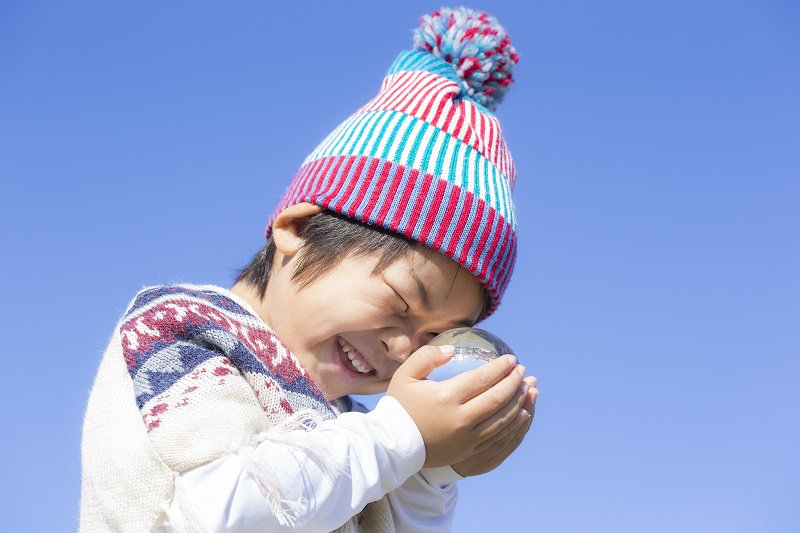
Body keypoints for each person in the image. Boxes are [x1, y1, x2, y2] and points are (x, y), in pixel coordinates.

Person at [80, 7, 539, 532]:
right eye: (401, 302)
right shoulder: (183, 327)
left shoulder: (347, 427)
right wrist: (401, 437)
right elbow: (216, 515)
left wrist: (431, 471)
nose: (405, 348)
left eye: (437, 335)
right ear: (297, 230)